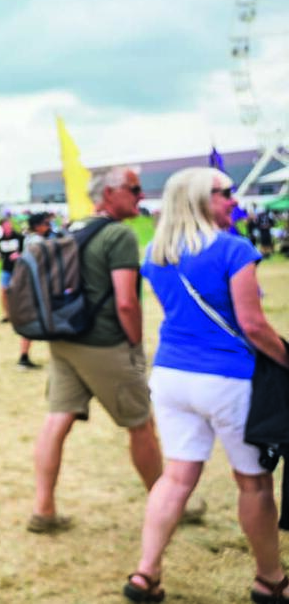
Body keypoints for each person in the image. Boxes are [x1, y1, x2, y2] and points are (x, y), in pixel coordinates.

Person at [122, 169, 288, 603]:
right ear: (199, 199)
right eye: (226, 193)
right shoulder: (234, 249)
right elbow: (252, 325)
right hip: (227, 378)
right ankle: (270, 579)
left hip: (173, 375)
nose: (234, 200)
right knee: (253, 483)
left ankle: (146, 572)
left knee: (176, 478)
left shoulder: (156, 254)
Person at [28, 167, 166, 534]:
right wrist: (135, 343)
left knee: (57, 420)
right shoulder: (118, 235)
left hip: (64, 339)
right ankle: (167, 502)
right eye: (134, 188)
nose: (141, 195)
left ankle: (43, 508)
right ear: (109, 193)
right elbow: (126, 301)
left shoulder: (74, 227)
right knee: (141, 424)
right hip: (104, 342)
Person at [0, 216, 39, 370]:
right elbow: (0, 253)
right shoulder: (0, 239)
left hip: (21, 272)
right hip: (7, 270)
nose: (7, 228)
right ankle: (8, 315)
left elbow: (27, 255)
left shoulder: (22, 239)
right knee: (4, 292)